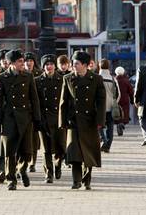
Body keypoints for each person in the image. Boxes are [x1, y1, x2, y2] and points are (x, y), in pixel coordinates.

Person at [0, 50, 41, 190]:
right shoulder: (2, 78)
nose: (23, 63)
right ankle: (11, 179)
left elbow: (34, 99)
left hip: (26, 118)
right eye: (20, 61)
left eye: (22, 61)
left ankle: (22, 169)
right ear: (12, 63)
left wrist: (37, 119)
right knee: (9, 152)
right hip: (9, 119)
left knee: (26, 151)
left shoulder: (28, 76)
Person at [59, 51, 106, 190]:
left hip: (90, 121)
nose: (73, 66)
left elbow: (101, 101)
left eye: (76, 64)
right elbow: (64, 101)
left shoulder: (96, 79)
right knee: (74, 152)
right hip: (73, 121)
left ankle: (87, 179)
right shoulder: (68, 78)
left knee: (89, 152)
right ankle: (76, 180)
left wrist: (100, 120)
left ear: (85, 65)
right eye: (73, 64)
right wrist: (62, 121)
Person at [35, 54, 66, 183]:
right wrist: (38, 119)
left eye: (51, 64)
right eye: (47, 64)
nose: (49, 66)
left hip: (59, 118)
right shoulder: (37, 81)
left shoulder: (62, 79)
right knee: (46, 149)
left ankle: (58, 165)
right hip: (44, 118)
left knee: (61, 147)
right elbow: (35, 101)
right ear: (43, 67)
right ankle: (48, 173)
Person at [24, 52, 42, 173]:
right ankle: (25, 161)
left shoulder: (39, 74)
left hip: (35, 111)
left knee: (34, 140)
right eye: (26, 61)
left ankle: (32, 162)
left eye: (31, 61)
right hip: (23, 111)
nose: (29, 63)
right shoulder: (21, 74)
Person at [99, 59, 120, 153]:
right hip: (111, 106)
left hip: (100, 106)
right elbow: (119, 94)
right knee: (110, 127)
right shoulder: (112, 78)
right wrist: (115, 103)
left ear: (100, 66)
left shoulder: (97, 78)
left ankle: (104, 141)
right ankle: (108, 145)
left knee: (99, 126)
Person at [114, 66, 134, 136]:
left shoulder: (114, 80)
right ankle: (122, 123)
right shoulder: (126, 81)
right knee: (124, 113)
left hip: (116, 100)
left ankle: (119, 124)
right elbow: (131, 91)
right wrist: (132, 100)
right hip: (125, 100)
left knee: (117, 113)